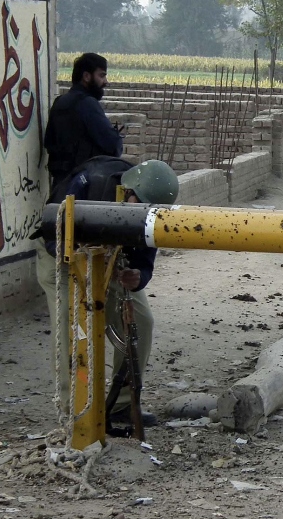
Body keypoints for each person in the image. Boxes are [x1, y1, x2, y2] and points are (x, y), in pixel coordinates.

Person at [35, 159, 180, 427]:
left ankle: (121, 405)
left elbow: (145, 262)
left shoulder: (148, 211)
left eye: (153, 210)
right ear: (128, 191)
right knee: (73, 330)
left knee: (142, 321)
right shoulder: (91, 183)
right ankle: (75, 413)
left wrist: (137, 277)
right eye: (144, 204)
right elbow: (52, 234)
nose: (147, 212)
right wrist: (79, 254)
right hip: (63, 260)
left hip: (109, 261)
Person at [44, 53, 123, 189]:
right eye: (101, 75)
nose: (105, 82)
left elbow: (48, 143)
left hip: (59, 186)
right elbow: (112, 145)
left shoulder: (60, 102)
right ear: (86, 76)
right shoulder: (87, 104)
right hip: (83, 185)